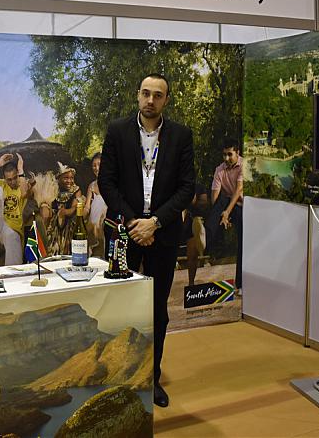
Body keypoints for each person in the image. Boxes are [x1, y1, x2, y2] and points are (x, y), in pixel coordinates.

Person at [98, 73, 194, 408]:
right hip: (125, 234)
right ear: (138, 95)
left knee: (157, 311)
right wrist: (133, 222)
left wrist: (154, 223)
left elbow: (187, 187)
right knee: (122, 309)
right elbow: (106, 182)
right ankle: (122, 379)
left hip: (162, 235)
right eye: (146, 93)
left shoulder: (181, 135)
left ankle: (151, 379)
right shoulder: (117, 131)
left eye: (158, 95)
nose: (150, 100)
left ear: (166, 100)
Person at [204, 138, 244, 291]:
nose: (226, 158)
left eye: (230, 154)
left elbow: (238, 191)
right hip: (227, 204)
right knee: (219, 202)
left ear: (237, 153)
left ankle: (240, 284)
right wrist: (221, 215)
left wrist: (227, 213)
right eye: (224, 155)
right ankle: (207, 237)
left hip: (243, 206)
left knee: (242, 243)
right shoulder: (219, 169)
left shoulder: (244, 165)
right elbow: (215, 195)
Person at [0, 153, 34, 265]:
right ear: (4, 178)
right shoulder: (2, 185)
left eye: (15, 178)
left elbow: (24, 193)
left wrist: (20, 170)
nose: (12, 182)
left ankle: (12, 271)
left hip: (14, 227)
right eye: (9, 179)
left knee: (11, 236)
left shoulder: (23, 183)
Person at [44, 162, 82, 256]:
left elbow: (74, 208)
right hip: (54, 226)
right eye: (66, 178)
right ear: (59, 178)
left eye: (71, 178)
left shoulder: (76, 190)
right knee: (53, 250)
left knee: (66, 249)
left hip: (69, 226)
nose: (69, 181)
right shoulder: (53, 189)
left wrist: (65, 212)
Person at [85, 152, 107, 257]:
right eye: (94, 165)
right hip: (93, 223)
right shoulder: (92, 186)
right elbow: (87, 207)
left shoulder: (112, 184)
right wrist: (80, 217)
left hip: (106, 222)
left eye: (99, 164)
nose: (97, 168)